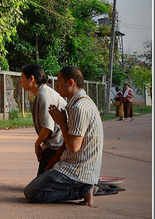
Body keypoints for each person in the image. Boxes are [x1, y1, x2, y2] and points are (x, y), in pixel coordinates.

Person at [24, 66, 104, 207]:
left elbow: (73, 146)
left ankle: (83, 189)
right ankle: (86, 187)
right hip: (74, 165)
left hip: (77, 170)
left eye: (60, 81)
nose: (57, 84)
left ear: (71, 83)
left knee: (32, 192)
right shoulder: (82, 102)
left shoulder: (80, 107)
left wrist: (61, 122)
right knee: (38, 183)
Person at [19, 64, 66, 176]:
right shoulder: (43, 92)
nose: (21, 82)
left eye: (22, 79)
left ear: (31, 79)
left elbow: (47, 128)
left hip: (58, 146)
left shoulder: (44, 95)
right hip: (56, 144)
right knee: (40, 184)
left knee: (39, 189)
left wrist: (37, 144)